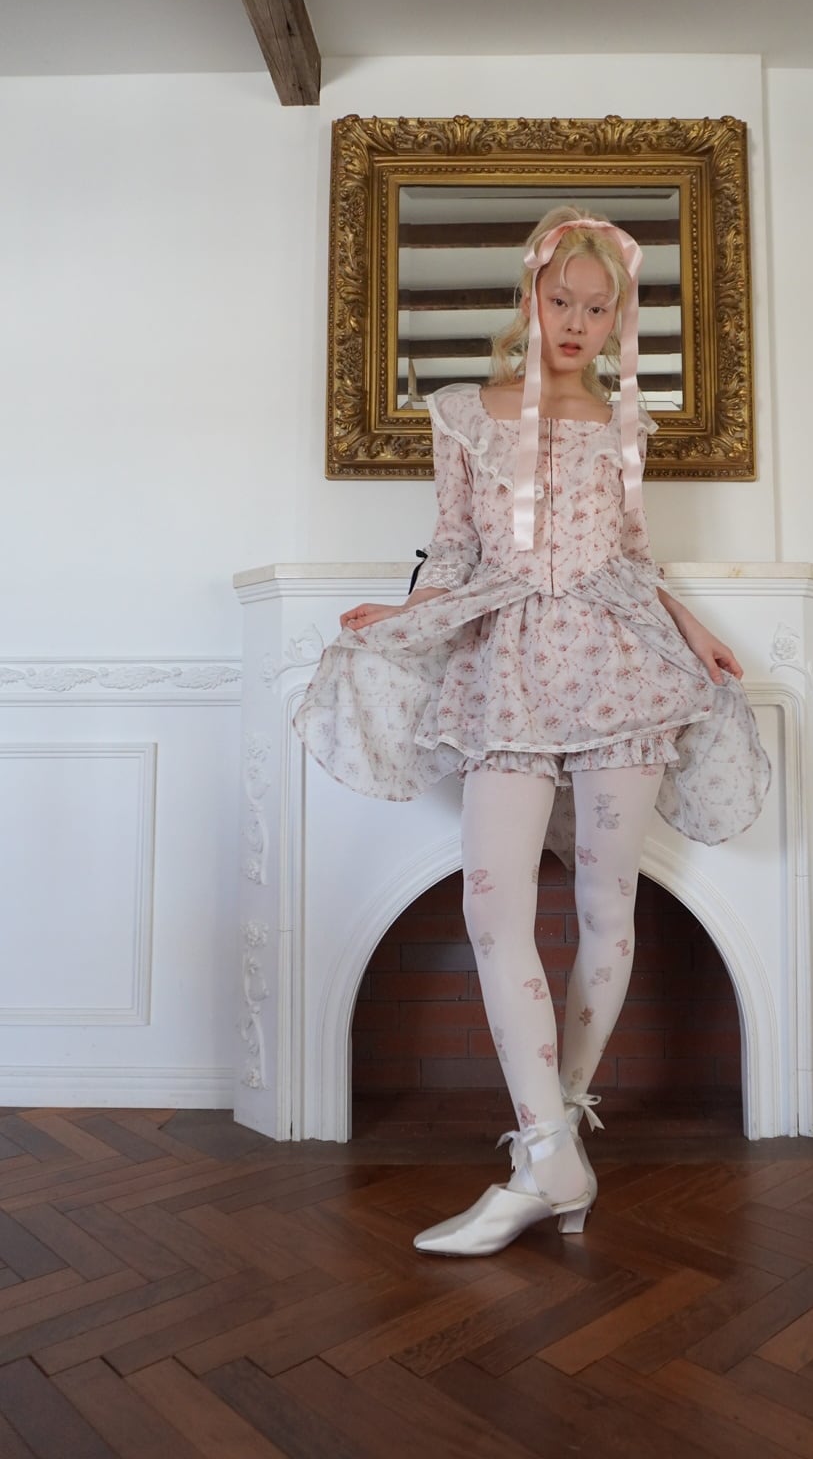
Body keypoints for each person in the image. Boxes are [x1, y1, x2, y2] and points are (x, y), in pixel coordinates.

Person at [294, 205, 771, 1255]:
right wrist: (409, 613)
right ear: (530, 296)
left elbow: (633, 557)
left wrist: (694, 630)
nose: (578, 324)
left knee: (607, 904)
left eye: (599, 309)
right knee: (491, 904)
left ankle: (549, 1155)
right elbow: (455, 549)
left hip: (621, 667)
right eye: (563, 301)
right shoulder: (463, 413)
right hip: (506, 665)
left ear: (618, 320)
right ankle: (550, 1148)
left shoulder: (626, 426)